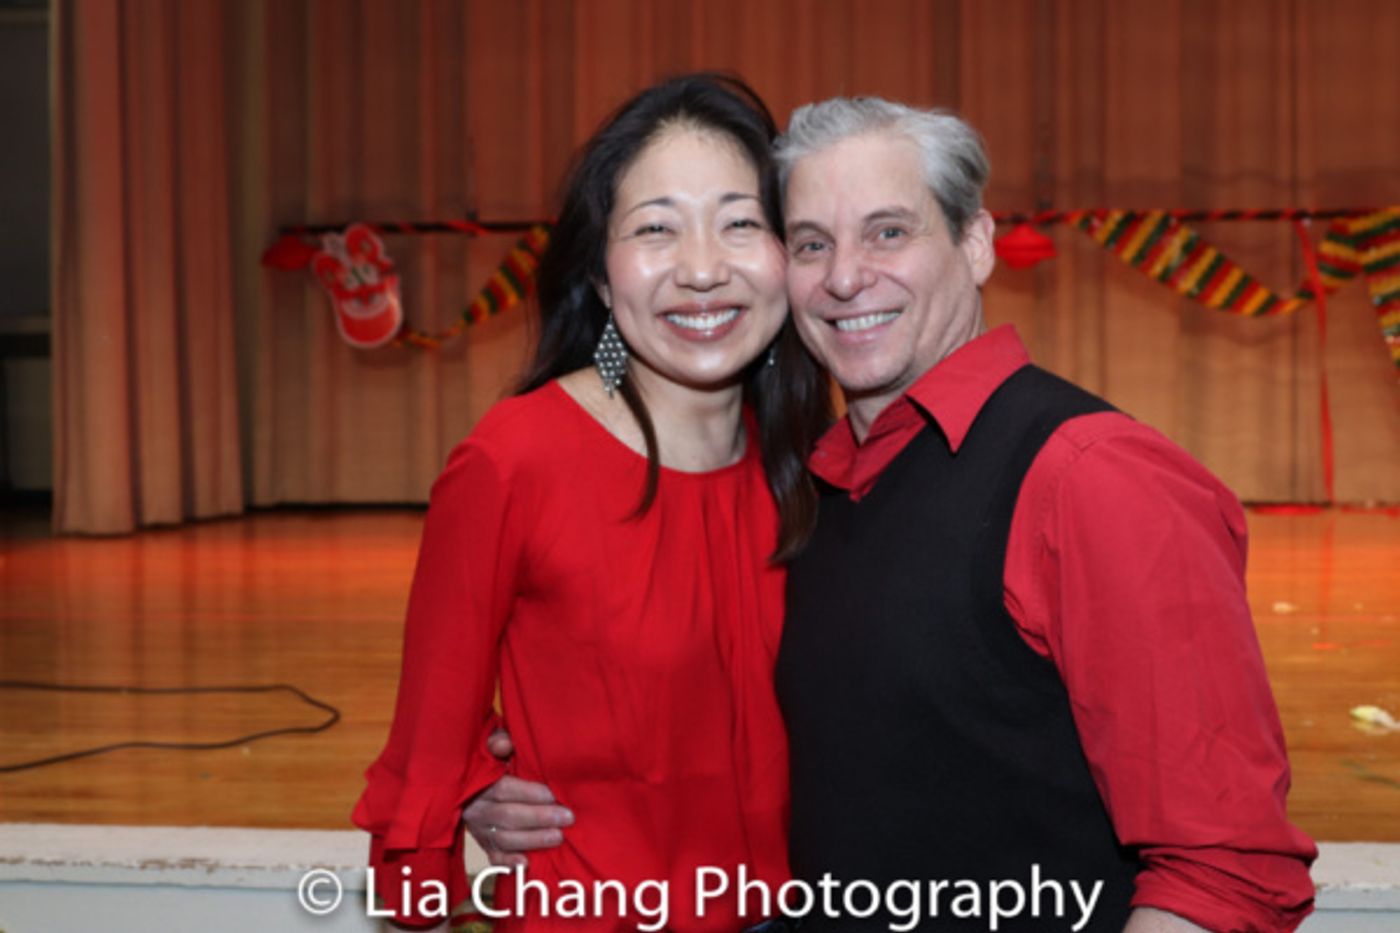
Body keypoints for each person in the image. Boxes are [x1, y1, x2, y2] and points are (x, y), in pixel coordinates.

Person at [468, 97, 1318, 932]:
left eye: (888, 231)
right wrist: (514, 770)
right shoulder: (820, 484)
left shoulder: (1090, 479)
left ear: (975, 242)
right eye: (811, 243)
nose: (844, 277)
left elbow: (1226, 876)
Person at [351, 72, 829, 932]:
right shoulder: (516, 459)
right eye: (655, 229)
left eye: (740, 223)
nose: (703, 269)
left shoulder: (805, 458)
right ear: (603, 280)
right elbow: (431, 733)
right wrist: (460, 801)